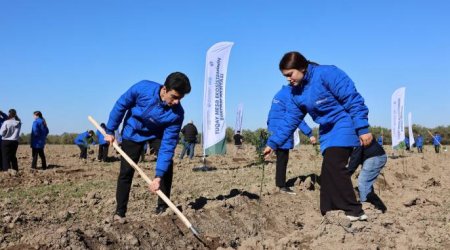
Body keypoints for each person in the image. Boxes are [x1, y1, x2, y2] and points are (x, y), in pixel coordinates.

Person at [264, 51, 372, 221]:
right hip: (327, 130)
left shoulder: (327, 73)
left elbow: (352, 99)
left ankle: (355, 211)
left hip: (344, 122)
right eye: (285, 76)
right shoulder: (296, 93)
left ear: (301, 67)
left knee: (335, 164)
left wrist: (362, 127)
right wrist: (273, 143)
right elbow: (290, 120)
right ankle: (329, 210)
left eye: (290, 74)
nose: (288, 79)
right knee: (328, 171)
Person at [103, 72, 191, 221]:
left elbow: (168, 144)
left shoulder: (177, 114)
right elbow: (121, 105)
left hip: (157, 134)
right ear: (164, 89)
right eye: (174, 97)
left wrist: (158, 176)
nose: (177, 102)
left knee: (167, 166)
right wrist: (110, 130)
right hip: (133, 131)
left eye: (180, 99)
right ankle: (120, 212)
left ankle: (162, 208)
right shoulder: (143, 88)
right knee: (126, 171)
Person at [267, 84, 316, 194]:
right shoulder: (290, 95)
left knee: (281, 158)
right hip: (282, 130)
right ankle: (281, 186)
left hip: (275, 130)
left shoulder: (279, 94)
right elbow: (296, 118)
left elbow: (270, 114)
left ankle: (280, 184)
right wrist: (310, 134)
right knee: (282, 159)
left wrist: (270, 130)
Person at [347, 139, 387, 210]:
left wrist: (347, 174)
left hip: (374, 157)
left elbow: (355, 158)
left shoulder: (355, 138)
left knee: (363, 182)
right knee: (367, 183)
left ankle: (366, 207)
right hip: (375, 155)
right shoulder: (352, 137)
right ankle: (376, 206)